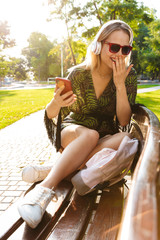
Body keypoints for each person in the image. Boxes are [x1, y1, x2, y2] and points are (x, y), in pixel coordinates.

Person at [18, 19, 137, 228]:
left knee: (126, 138)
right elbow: (52, 114)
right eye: (114, 47)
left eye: (125, 49)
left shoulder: (128, 76)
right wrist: (55, 102)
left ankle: (57, 168)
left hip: (102, 141)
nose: (119, 54)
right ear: (99, 45)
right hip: (73, 133)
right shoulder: (78, 74)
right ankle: (44, 190)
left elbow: (124, 121)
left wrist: (119, 86)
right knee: (89, 135)